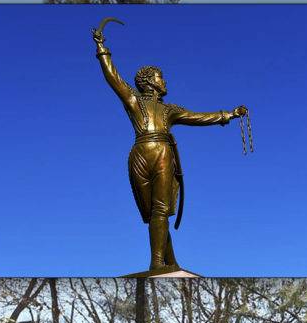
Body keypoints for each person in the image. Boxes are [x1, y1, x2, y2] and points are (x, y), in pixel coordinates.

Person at [92, 20, 248, 272]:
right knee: (153, 212)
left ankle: (158, 263)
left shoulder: (169, 110)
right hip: (140, 155)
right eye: (160, 77)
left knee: (160, 210)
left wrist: (228, 114)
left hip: (163, 153)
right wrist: (102, 49)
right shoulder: (133, 100)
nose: (164, 81)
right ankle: (170, 262)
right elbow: (113, 78)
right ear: (150, 82)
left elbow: (198, 117)